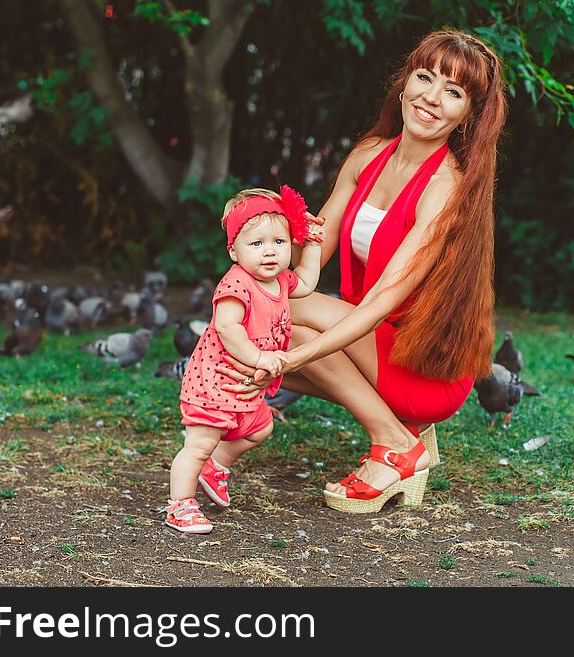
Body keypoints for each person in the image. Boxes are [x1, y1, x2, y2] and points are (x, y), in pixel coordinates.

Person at [216, 29, 507, 513]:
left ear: (468, 114)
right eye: (425, 77)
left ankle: (394, 443)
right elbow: (315, 245)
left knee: (277, 326)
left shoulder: (445, 188)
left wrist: (288, 353)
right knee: (255, 323)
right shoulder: (369, 153)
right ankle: (398, 432)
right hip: (374, 341)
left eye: (453, 92)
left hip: (425, 366)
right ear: (405, 81)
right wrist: (268, 243)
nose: (431, 98)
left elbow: (379, 304)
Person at [165, 186, 325, 533]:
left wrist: (312, 245)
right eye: (257, 244)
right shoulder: (236, 284)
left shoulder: (280, 279)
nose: (269, 252)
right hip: (216, 380)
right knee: (198, 445)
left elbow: (309, 282)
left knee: (260, 428)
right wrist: (259, 357)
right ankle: (180, 504)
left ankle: (216, 467)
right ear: (233, 251)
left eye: (279, 243)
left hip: (245, 382)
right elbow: (227, 326)